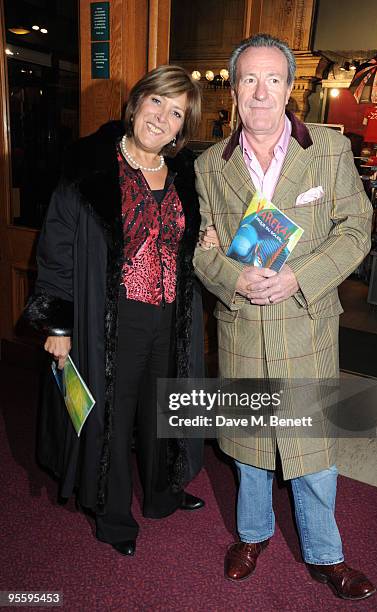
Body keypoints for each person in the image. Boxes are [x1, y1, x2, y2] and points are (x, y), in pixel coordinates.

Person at [194, 34, 376, 600]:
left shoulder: (327, 149)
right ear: (234, 88)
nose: (261, 92)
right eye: (248, 79)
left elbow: (356, 230)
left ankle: (326, 553)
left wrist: (301, 276)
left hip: (306, 322)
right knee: (250, 445)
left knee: (313, 449)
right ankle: (253, 535)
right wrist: (233, 277)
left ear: (290, 88)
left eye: (273, 79)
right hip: (244, 324)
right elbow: (203, 251)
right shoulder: (208, 166)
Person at [24, 65, 205, 557]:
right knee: (112, 417)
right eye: (156, 103)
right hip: (112, 317)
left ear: (180, 128)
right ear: (136, 103)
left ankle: (164, 493)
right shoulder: (89, 166)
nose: (162, 118)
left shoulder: (185, 172)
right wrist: (57, 324)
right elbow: (56, 250)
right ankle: (113, 515)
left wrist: (201, 238)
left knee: (164, 407)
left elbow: (185, 239)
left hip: (171, 315)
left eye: (175, 113)